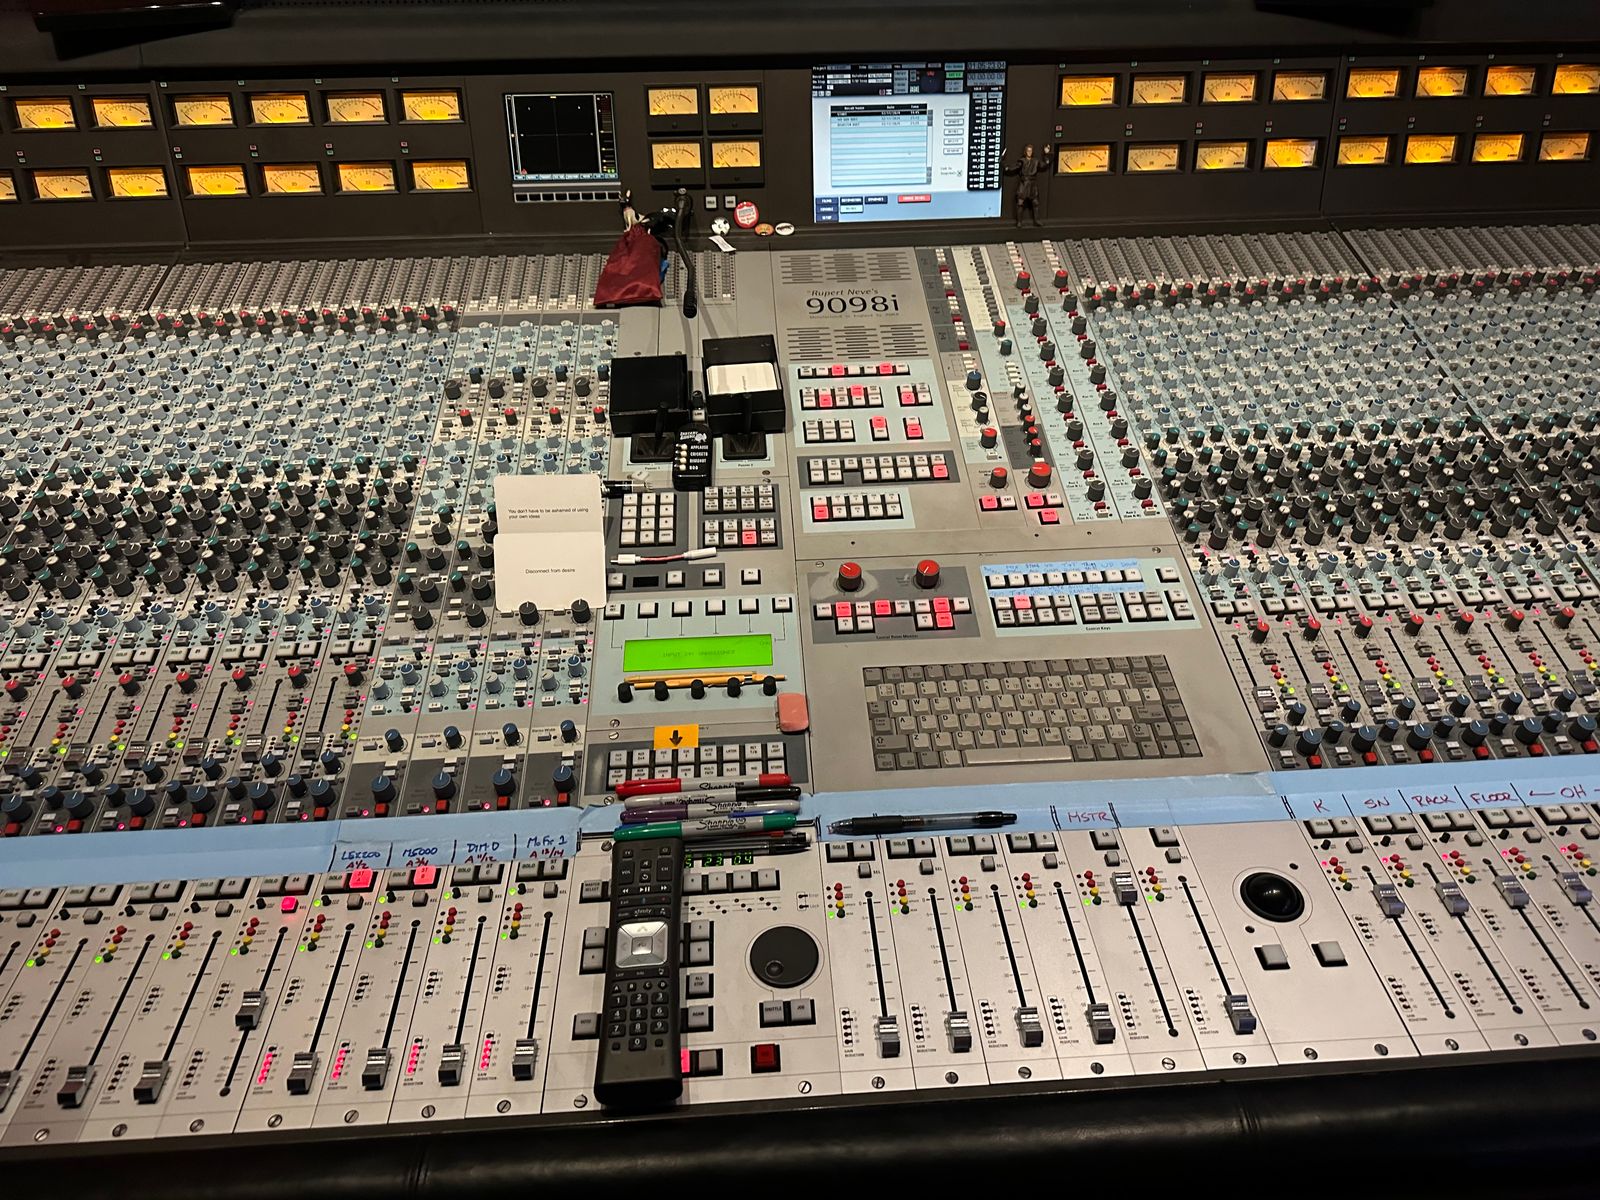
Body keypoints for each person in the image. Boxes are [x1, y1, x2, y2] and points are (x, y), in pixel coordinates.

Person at [1003, 143, 1053, 227]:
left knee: (1035, 202)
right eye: (1028, 151)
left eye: (1031, 151)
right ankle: (1019, 222)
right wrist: (1005, 165)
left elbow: (1045, 164)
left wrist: (1047, 154)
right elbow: (1013, 167)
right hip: (1024, 183)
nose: (1029, 152)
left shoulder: (1036, 161)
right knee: (1020, 202)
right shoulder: (1022, 161)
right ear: (1025, 152)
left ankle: (1036, 220)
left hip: (1033, 184)